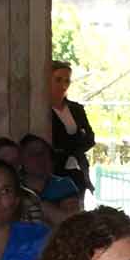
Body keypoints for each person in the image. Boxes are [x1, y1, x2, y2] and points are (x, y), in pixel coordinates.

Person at [48, 60, 98, 194]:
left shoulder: (76, 109)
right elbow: (54, 141)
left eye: (67, 81)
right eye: (58, 80)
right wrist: (76, 140)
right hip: (54, 172)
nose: (63, 85)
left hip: (77, 170)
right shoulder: (42, 111)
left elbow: (90, 138)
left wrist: (72, 147)